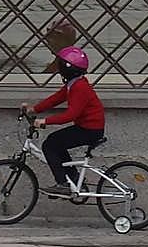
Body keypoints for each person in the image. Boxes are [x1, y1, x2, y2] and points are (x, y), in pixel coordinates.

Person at [23, 45, 105, 198]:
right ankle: (72, 178)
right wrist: (34, 109)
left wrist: (45, 121)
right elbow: (56, 98)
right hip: (87, 128)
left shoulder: (79, 87)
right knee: (57, 144)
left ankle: (62, 184)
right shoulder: (74, 84)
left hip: (90, 130)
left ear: (68, 68)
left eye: (60, 65)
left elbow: (70, 115)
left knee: (50, 144)